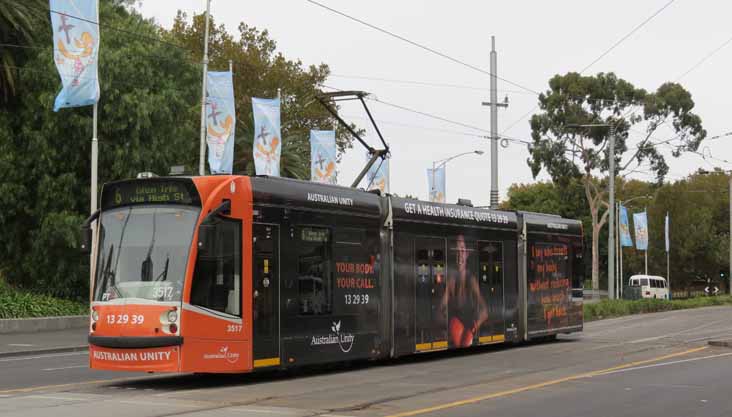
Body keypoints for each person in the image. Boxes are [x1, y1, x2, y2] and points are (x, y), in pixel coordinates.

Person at [441, 235, 489, 347]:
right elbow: (440, 309)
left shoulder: (471, 281)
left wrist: (473, 328)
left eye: (462, 250)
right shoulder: (451, 281)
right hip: (455, 332)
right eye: (456, 251)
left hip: (469, 333)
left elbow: (484, 311)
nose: (459, 255)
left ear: (467, 254)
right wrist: (449, 324)